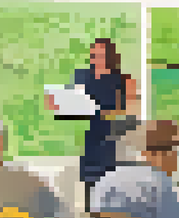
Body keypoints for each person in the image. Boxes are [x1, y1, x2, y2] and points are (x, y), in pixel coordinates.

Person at [47, 37, 139, 207]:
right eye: (93, 54)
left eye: (100, 54)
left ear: (110, 57)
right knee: (91, 190)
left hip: (113, 142)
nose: (95, 58)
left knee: (114, 192)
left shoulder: (123, 80)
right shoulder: (82, 76)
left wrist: (106, 113)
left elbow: (130, 113)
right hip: (90, 142)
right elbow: (71, 105)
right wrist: (58, 105)